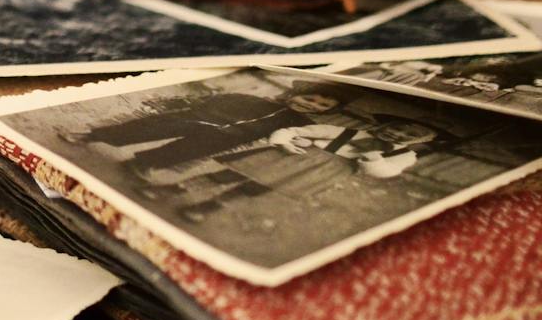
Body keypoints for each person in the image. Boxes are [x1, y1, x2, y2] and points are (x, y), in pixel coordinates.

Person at [171, 116, 442, 223]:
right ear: (383, 125)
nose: (398, 132)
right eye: (396, 125)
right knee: (232, 173)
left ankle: (208, 207)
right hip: (296, 158)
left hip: (325, 172)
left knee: (258, 189)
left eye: (411, 134)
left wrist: (374, 160)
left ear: (420, 142)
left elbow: (387, 173)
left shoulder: (405, 155)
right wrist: (286, 140)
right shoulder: (348, 131)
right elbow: (298, 130)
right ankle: (177, 186)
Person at [64, 89, 341, 177]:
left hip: (230, 135)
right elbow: (224, 99)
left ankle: (143, 163)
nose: (311, 104)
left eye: (321, 105)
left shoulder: (298, 120)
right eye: (310, 97)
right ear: (298, 93)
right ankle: (92, 135)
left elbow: (289, 134)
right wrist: (202, 109)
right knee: (151, 127)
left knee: (190, 149)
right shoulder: (259, 101)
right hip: (203, 117)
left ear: (324, 112)